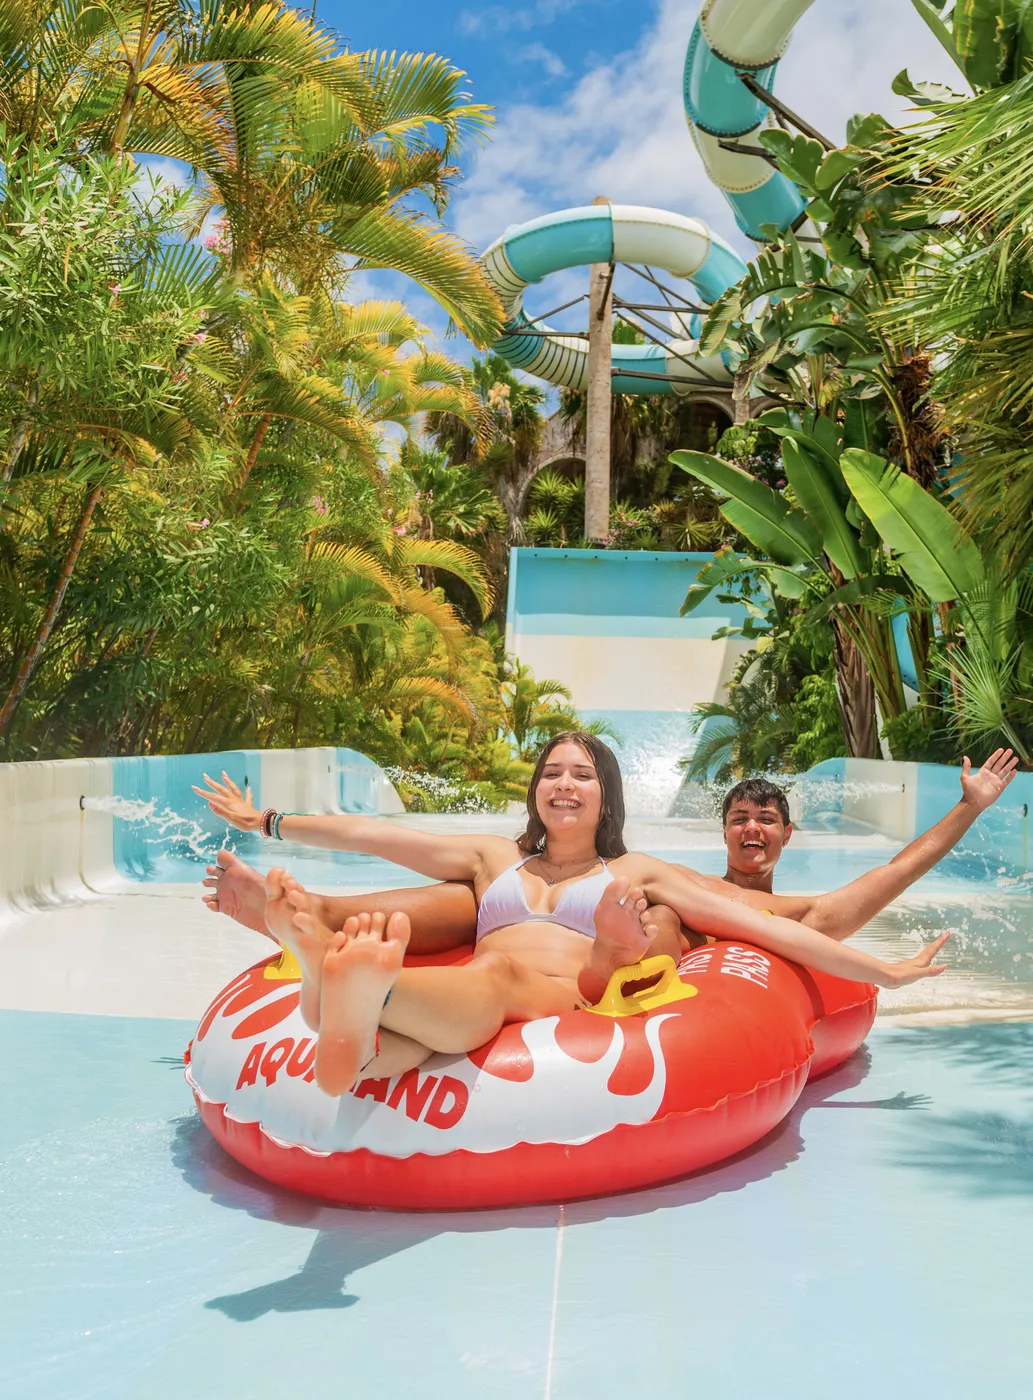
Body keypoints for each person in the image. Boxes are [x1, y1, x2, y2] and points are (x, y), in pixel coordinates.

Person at [195, 733, 948, 1098]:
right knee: (423, 1031)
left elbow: (776, 930)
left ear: (604, 797)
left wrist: (883, 970)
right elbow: (377, 836)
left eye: (581, 775)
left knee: (493, 979)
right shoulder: (494, 859)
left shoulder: (634, 873)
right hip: (489, 979)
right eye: (550, 772)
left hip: (557, 991)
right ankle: (349, 1015)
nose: (563, 784)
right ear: (534, 792)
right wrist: (269, 821)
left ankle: (344, 976)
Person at [201, 749, 1018, 958]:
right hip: (524, 924)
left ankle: (310, 916)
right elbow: (386, 836)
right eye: (740, 816)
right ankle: (307, 912)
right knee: (465, 893)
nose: (753, 829)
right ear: (723, 830)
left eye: (767, 819)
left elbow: (851, 902)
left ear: (786, 835)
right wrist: (271, 821)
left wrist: (964, 814)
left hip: (581, 961)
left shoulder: (750, 905)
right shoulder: (673, 872)